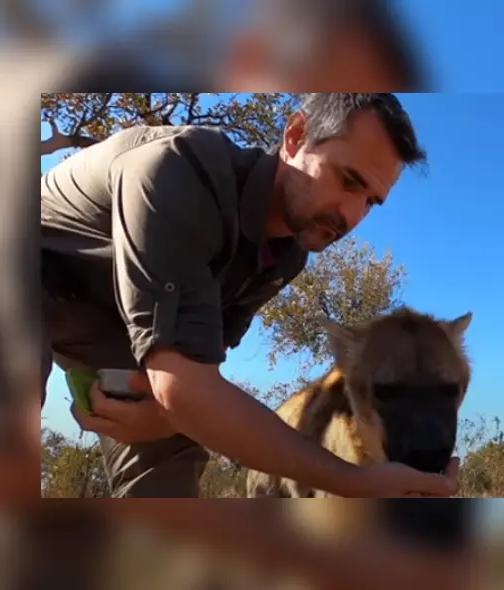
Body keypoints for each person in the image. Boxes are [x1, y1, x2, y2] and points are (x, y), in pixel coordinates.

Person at [40, 92, 458, 498]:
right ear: (296, 136)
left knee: (172, 459)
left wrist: (169, 418)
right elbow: (184, 390)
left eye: (370, 202)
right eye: (347, 180)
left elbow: (196, 377)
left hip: (119, 323)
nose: (351, 216)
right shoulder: (177, 171)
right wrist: (352, 481)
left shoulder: (287, 256)